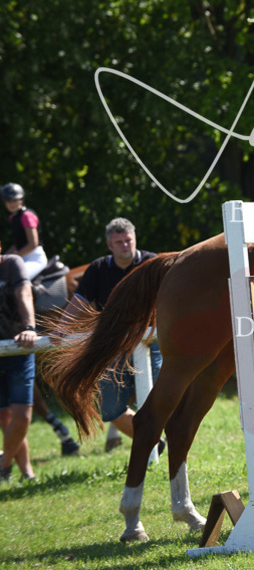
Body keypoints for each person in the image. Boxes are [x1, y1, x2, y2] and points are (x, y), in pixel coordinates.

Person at [62, 218, 162, 452]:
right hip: (113, 344)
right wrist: (61, 329)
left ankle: (156, 443)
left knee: (163, 397)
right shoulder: (98, 268)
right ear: (110, 245)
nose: (125, 245)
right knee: (108, 409)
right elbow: (80, 301)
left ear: (135, 239)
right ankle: (154, 443)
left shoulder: (151, 262)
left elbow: (168, 299)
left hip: (150, 340)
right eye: (119, 242)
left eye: (128, 240)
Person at [0, 238, 39, 482]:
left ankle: (3, 465)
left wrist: (29, 327)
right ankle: (27, 473)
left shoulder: (12, 264)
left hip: (17, 348)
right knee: (5, 418)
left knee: (22, 416)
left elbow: (24, 293)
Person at [2, 183, 47, 281]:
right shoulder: (13, 218)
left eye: (15, 200)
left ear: (21, 200)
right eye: (9, 201)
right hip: (22, 257)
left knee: (15, 279)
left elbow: (33, 244)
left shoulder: (27, 216)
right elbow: (18, 244)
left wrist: (14, 258)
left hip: (35, 259)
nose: (12, 204)